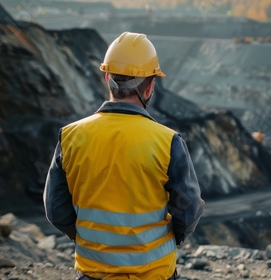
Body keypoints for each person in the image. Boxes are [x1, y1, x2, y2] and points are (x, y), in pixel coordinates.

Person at [43, 32, 205, 280]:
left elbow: (55, 209)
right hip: (153, 273)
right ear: (150, 86)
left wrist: (89, 237)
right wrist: (171, 238)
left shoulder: (70, 136)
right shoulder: (168, 142)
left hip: (93, 272)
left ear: (107, 78)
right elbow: (188, 208)